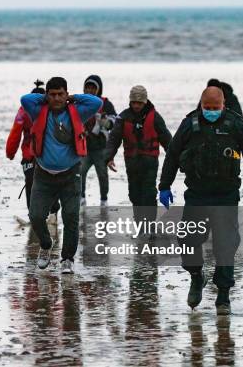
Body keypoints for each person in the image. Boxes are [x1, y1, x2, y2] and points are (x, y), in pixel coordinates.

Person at [158, 87, 243, 315]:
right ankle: (197, 276)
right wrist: (164, 186)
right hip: (197, 193)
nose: (211, 112)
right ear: (201, 104)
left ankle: (224, 296)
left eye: (215, 108)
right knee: (188, 238)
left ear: (223, 105)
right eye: (207, 108)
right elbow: (173, 154)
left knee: (226, 244)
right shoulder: (190, 124)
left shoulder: (235, 124)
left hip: (226, 195)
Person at [20, 77, 102, 274]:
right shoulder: (38, 111)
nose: (56, 98)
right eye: (52, 94)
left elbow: (96, 103)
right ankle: (46, 246)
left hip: (70, 174)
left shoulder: (78, 111)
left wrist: (74, 97)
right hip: (43, 175)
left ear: (66, 94)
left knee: (71, 215)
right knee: (36, 215)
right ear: (47, 95)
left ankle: (67, 259)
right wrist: (44, 100)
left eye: (60, 94)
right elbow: (25, 99)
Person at [105, 85, 171, 223]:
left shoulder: (155, 118)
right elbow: (113, 139)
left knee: (149, 194)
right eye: (134, 102)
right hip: (132, 162)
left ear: (145, 102)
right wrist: (108, 157)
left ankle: (150, 224)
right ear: (130, 101)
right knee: (134, 194)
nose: (136, 105)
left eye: (139, 103)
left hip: (150, 163)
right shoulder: (123, 118)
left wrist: (175, 159)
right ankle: (140, 222)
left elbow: (167, 140)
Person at [6, 80, 60, 221]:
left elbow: (15, 133)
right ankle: (36, 215)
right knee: (36, 183)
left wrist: (10, 152)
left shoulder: (49, 110)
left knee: (37, 184)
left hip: (46, 156)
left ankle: (52, 212)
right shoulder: (24, 112)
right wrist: (10, 152)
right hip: (32, 156)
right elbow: (15, 133)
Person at [80, 75, 117, 206]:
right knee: (80, 172)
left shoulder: (105, 103)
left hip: (101, 148)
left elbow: (115, 120)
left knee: (102, 174)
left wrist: (107, 123)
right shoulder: (79, 103)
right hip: (84, 147)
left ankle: (104, 200)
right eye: (87, 87)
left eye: (93, 88)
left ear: (99, 89)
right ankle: (81, 198)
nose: (89, 90)